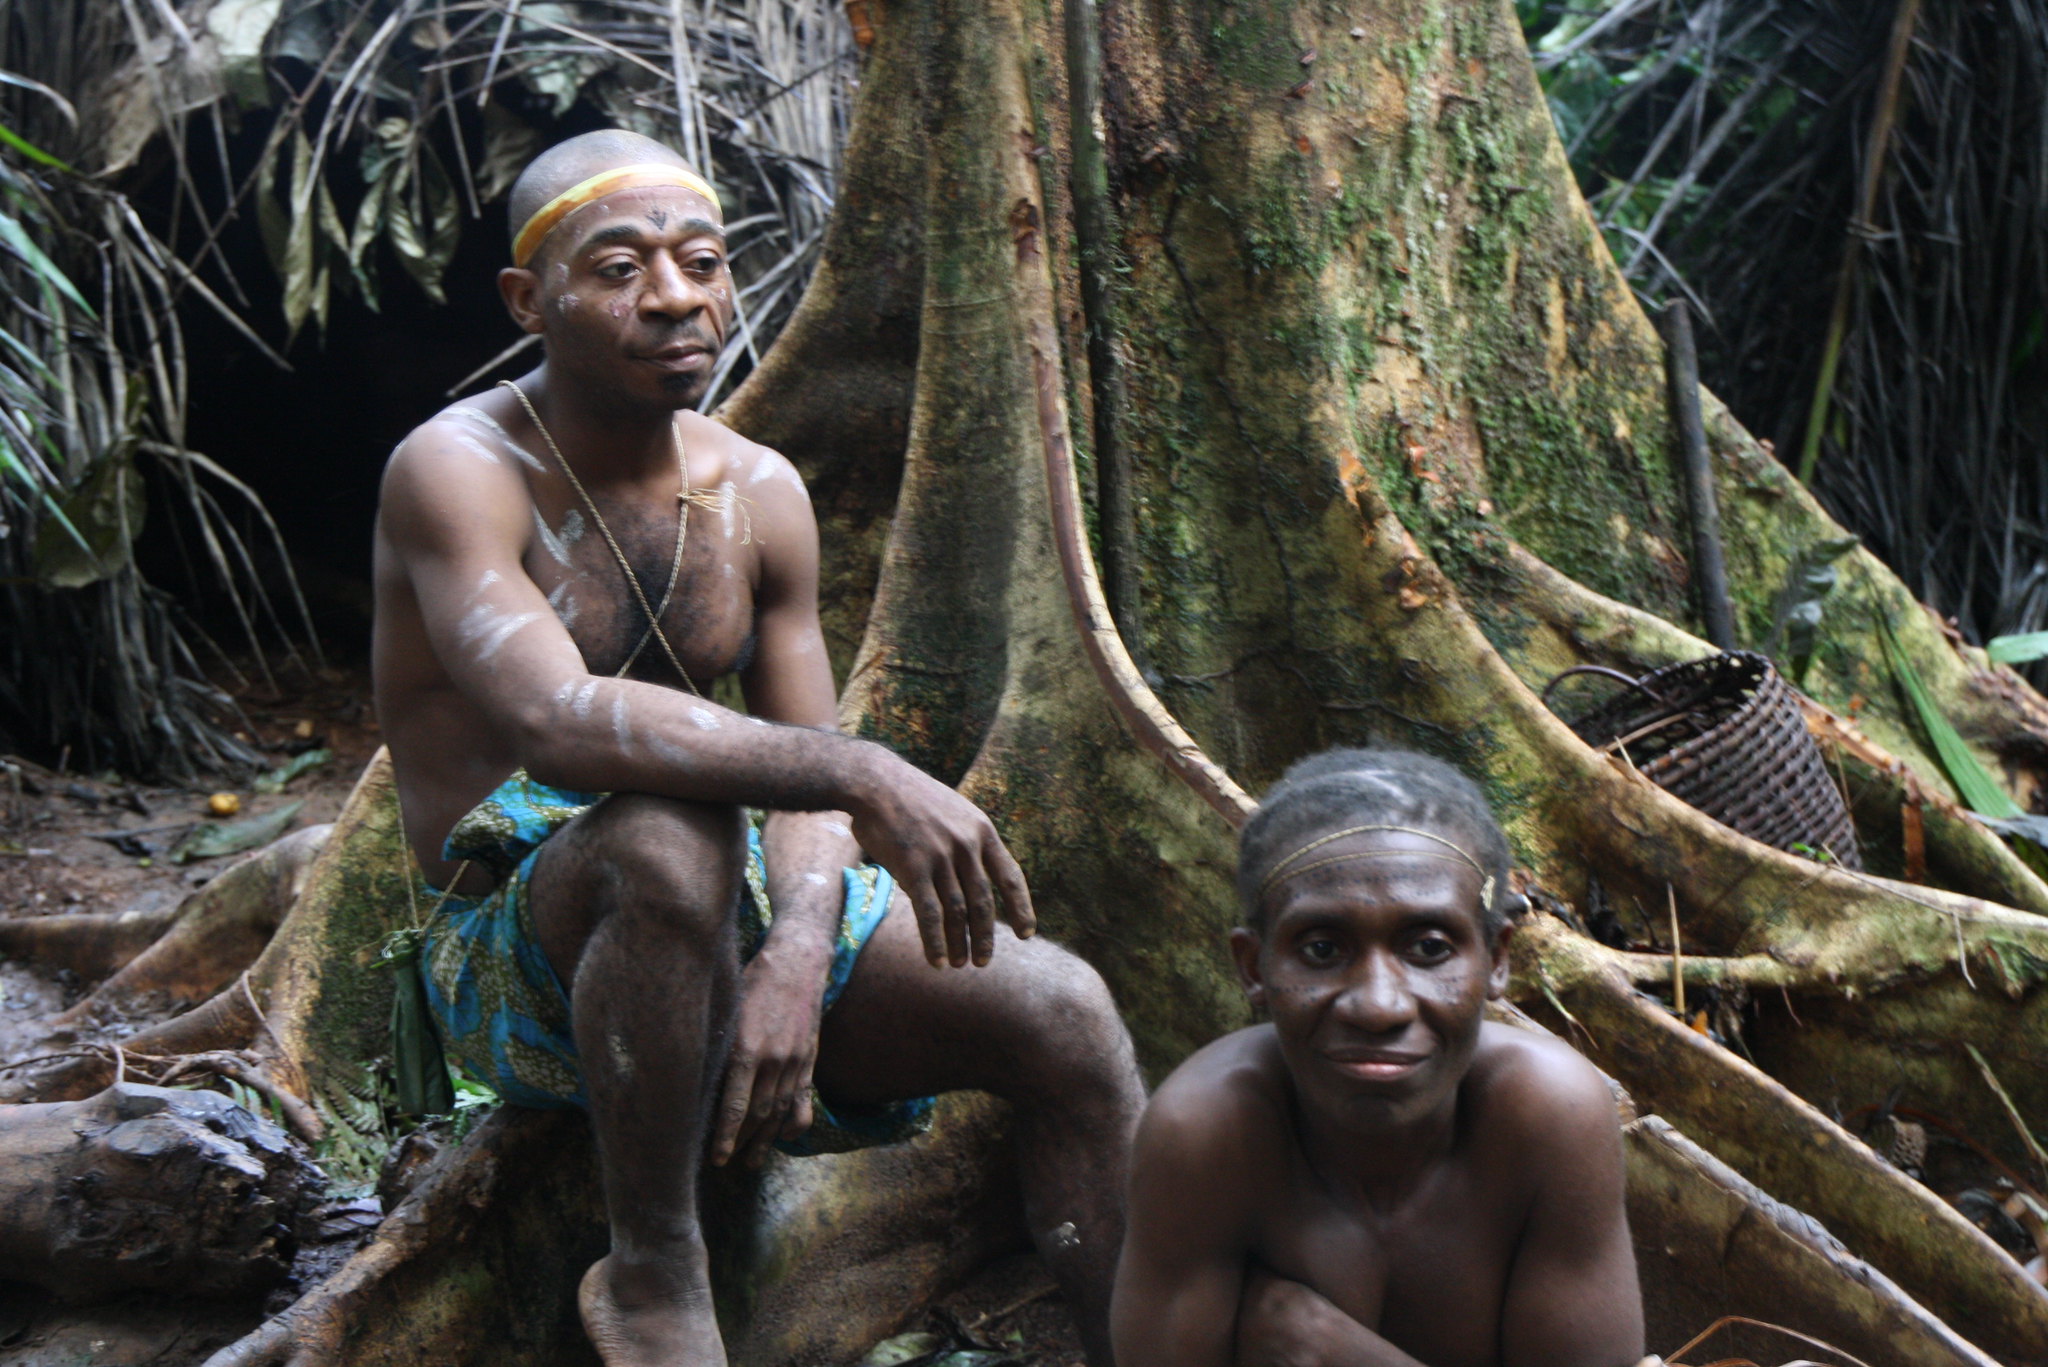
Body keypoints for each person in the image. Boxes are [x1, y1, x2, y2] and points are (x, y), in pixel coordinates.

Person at [371, 128, 1142, 1367]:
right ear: (530, 300)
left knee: (1063, 1009)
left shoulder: (760, 490)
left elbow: (802, 761)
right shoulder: (459, 471)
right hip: (516, 944)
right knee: (670, 831)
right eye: (618, 267)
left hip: (731, 900)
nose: (675, 295)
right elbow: (557, 722)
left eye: (701, 259)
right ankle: (654, 1269)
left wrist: (795, 942)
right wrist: (862, 768)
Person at [1110, 748, 1644, 1367]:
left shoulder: (1551, 1115)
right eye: (1320, 949)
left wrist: (1338, 1353)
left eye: (1428, 947)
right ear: (1254, 968)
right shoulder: (1206, 1134)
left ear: (1496, 959)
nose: (1378, 1006)